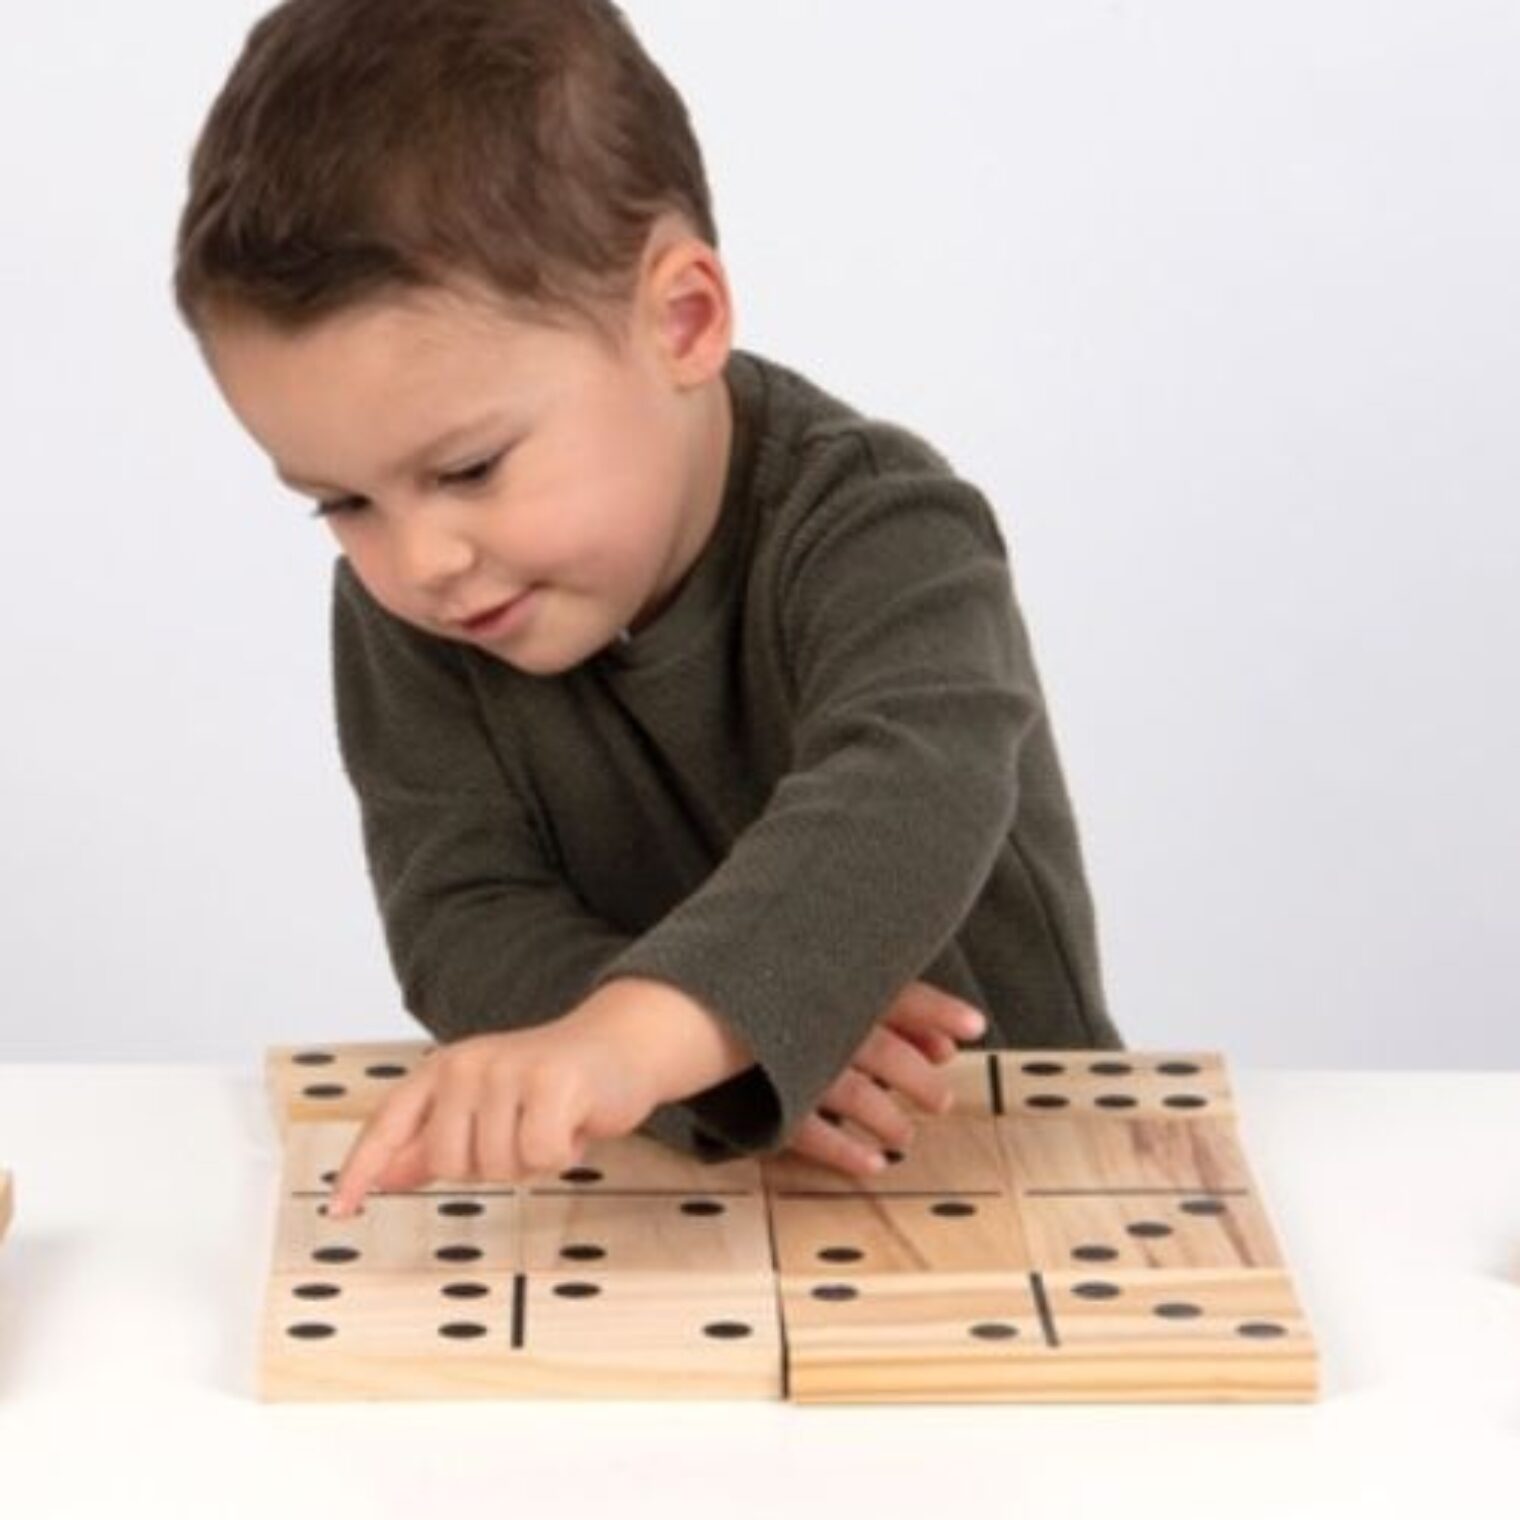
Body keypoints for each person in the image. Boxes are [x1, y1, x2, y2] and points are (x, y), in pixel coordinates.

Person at [172, 0, 1122, 1219]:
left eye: (467, 469)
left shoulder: (888, 525)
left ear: (682, 320)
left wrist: (631, 1034)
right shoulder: (417, 598)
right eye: (339, 500)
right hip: (685, 1181)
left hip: (1003, 1167)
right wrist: (676, 1067)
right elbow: (459, 912)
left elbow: (907, 791)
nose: (419, 558)